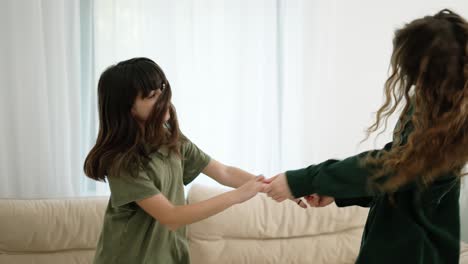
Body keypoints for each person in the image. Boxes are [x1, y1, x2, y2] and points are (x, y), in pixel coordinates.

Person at [265, 9, 468, 264]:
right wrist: (336, 192)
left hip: (416, 253)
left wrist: (303, 180)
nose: (405, 75)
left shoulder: (449, 120)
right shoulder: (428, 105)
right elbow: (397, 177)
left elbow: (392, 167)